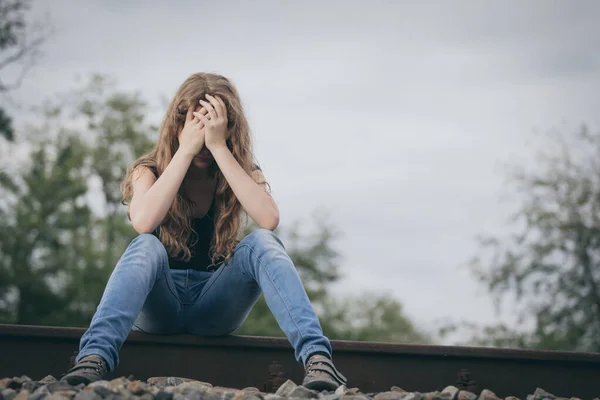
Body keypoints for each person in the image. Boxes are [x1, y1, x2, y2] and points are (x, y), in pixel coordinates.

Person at [61, 73, 347, 391]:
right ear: (178, 125)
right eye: (195, 125)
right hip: (160, 308)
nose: (202, 142)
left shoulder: (239, 170)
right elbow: (143, 222)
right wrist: (184, 152)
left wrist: (218, 146)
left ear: (228, 129)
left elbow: (268, 219)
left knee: (263, 242)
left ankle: (318, 359)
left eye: (211, 127)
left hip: (215, 308)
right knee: (146, 245)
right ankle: (93, 356)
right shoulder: (150, 169)